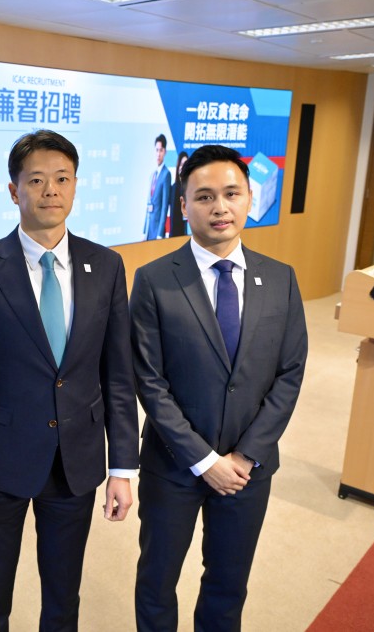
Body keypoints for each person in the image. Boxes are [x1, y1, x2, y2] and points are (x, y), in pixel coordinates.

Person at [0, 129, 139, 631]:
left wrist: (123, 466)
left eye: (62, 179)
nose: (50, 190)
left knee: (63, 593)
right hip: (0, 462)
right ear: (14, 191)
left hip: (75, 459)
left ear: (75, 187)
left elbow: (118, 375)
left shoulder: (108, 266)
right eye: (36, 180)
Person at [129, 144, 308, 631]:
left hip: (249, 470)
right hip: (174, 465)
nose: (219, 207)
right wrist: (206, 461)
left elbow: (289, 374)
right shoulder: (153, 280)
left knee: (229, 583)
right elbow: (149, 380)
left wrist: (245, 456)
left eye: (231, 193)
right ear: (183, 205)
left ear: (250, 197)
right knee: (157, 581)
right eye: (203, 196)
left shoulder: (281, 279)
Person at [143, 134, 172, 240]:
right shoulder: (152, 175)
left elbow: (165, 207)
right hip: (148, 228)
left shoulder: (166, 174)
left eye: (161, 150)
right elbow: (148, 205)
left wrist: (160, 233)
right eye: (157, 150)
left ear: (165, 152)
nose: (158, 154)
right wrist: (144, 231)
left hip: (157, 230)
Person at [169, 150, 189, 238]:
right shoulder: (175, 187)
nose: (182, 167)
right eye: (181, 164)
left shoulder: (191, 187)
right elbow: (173, 218)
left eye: (185, 164)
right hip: (177, 235)